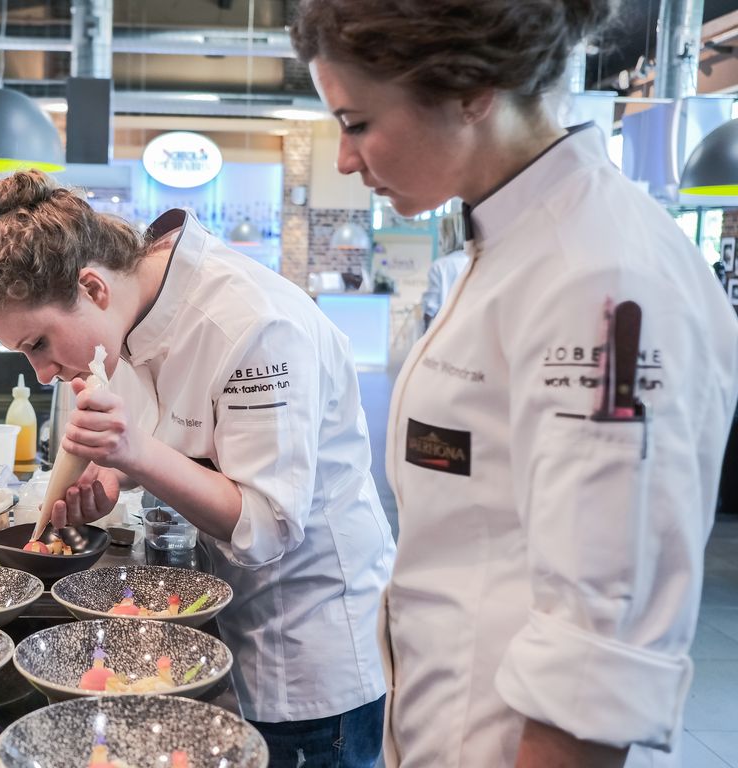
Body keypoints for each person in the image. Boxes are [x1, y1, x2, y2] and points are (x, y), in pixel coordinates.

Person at [291, 2, 738, 767]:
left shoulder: (599, 279)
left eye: (357, 123)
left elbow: (594, 657)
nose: (343, 159)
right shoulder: (510, 243)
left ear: (472, 90)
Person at [0, 170, 396, 768]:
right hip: (227, 619)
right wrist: (113, 476)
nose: (42, 372)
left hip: (307, 645)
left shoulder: (253, 326)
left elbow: (268, 524)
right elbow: (175, 435)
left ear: (92, 287)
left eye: (38, 344)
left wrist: (136, 452)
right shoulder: (130, 313)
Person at [420, 212, 469, 330]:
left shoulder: (440, 266)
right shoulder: (476, 261)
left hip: (445, 329)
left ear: (449, 235)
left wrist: (425, 332)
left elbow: (431, 307)